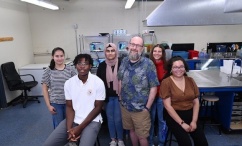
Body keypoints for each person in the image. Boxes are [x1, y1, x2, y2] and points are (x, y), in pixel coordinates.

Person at [43, 54, 106, 146]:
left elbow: (98, 108)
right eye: (79, 63)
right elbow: (69, 107)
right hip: (73, 119)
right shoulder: (69, 83)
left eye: (85, 63)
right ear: (75, 65)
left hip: (92, 121)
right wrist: (69, 130)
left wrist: (79, 128)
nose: (82, 66)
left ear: (90, 66)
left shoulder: (98, 82)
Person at [117, 36, 159, 146]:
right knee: (131, 131)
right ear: (128, 45)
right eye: (133, 44)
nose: (134, 48)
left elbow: (154, 87)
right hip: (126, 107)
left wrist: (147, 107)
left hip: (141, 109)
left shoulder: (148, 64)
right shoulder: (124, 61)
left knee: (142, 136)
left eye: (138, 45)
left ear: (142, 48)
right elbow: (120, 79)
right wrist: (120, 99)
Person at [160, 56, 208, 146]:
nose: (179, 69)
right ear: (171, 69)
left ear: (185, 68)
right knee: (186, 143)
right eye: (175, 67)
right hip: (174, 116)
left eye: (181, 66)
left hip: (190, 114)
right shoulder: (166, 82)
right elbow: (168, 106)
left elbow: (196, 102)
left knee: (202, 143)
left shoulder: (190, 80)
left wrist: (194, 121)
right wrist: (182, 123)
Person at [96, 43, 125, 146]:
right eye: (108, 51)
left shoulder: (122, 63)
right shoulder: (102, 65)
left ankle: (120, 139)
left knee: (118, 119)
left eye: (112, 51)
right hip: (107, 98)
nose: (110, 53)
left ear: (116, 52)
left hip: (119, 97)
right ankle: (113, 139)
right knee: (110, 119)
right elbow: (98, 83)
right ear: (105, 53)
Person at [42, 47, 76, 129]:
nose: (59, 58)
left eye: (61, 56)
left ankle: (71, 140)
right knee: (59, 127)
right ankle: (60, 142)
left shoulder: (70, 69)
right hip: (56, 103)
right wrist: (48, 105)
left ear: (64, 56)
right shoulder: (48, 70)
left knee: (71, 124)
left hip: (69, 102)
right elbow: (44, 89)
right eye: (57, 56)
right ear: (52, 57)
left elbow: (76, 86)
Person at [148, 44, 167, 146]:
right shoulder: (147, 64)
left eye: (159, 51)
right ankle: (150, 142)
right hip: (150, 97)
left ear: (163, 53)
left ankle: (161, 142)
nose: (157, 53)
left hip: (161, 97)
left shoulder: (167, 65)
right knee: (150, 121)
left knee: (161, 121)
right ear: (152, 52)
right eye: (155, 51)